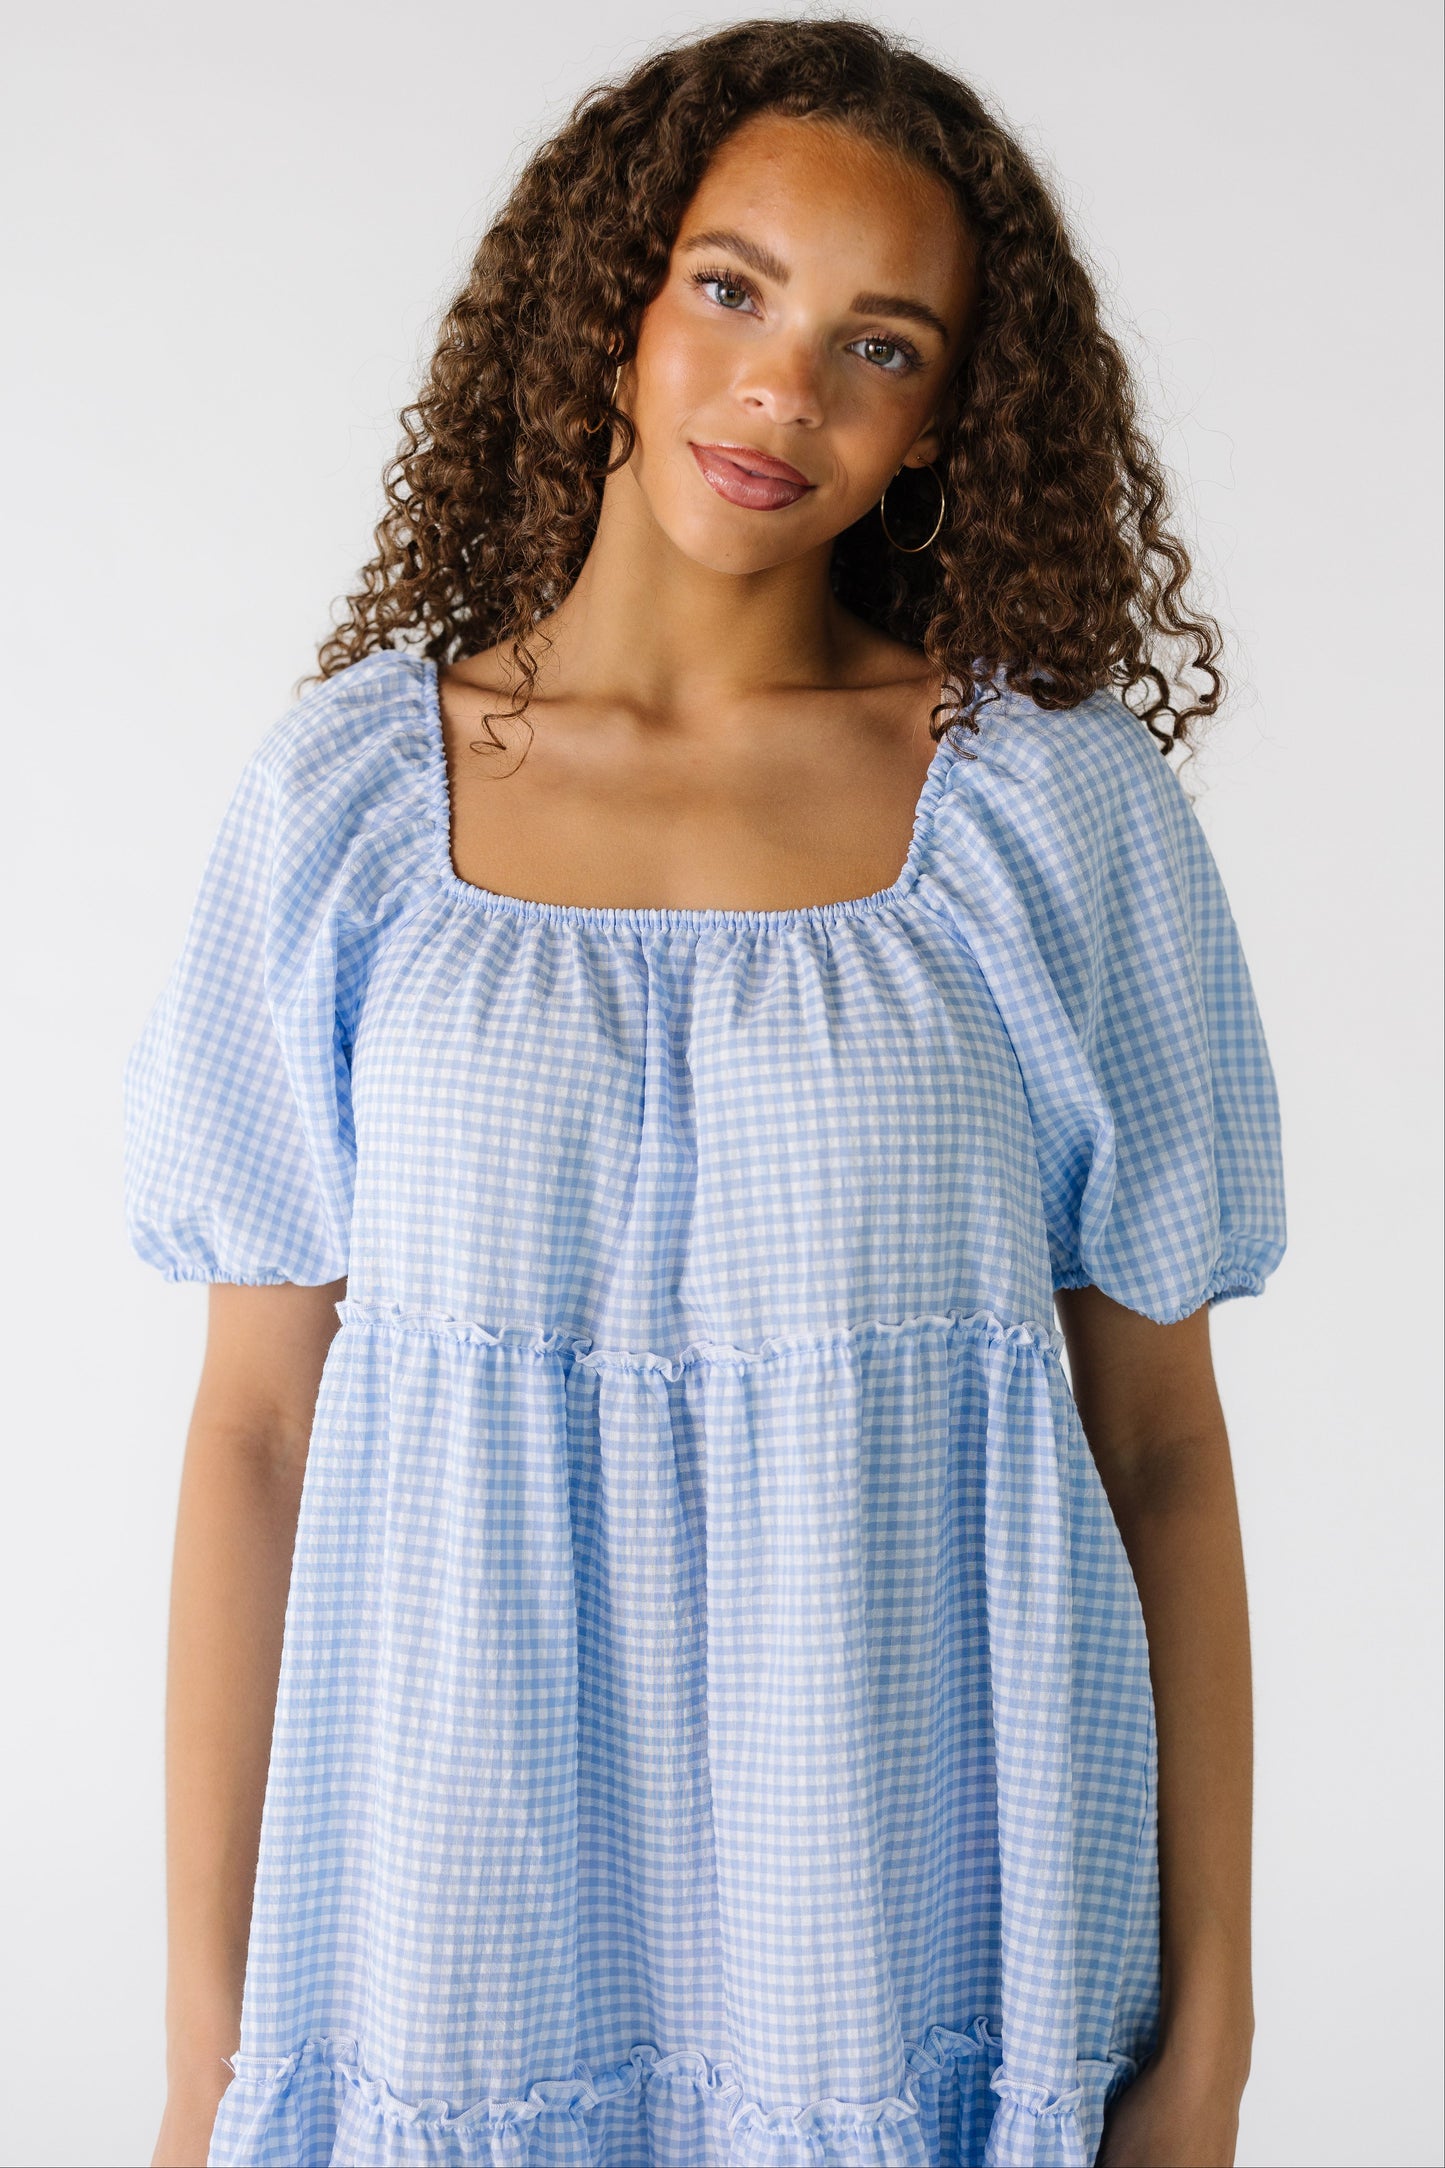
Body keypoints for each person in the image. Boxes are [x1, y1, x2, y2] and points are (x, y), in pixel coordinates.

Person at [126, 19, 1286, 2168]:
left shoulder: (1051, 813)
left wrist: (1206, 2051)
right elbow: (259, 1436)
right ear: (615, 311)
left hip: (936, 1939)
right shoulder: (353, 810)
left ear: (949, 423)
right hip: (449, 1958)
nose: (783, 390)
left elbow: (1166, 1451)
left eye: (883, 344)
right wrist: (208, 2051)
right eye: (733, 290)